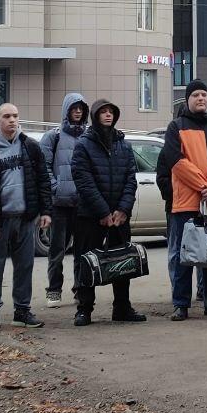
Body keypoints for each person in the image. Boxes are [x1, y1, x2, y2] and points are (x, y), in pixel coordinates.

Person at [158, 80, 207, 321]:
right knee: (185, 255)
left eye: (204, 94)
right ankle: (181, 304)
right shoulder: (176, 127)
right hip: (187, 203)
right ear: (187, 100)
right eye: (195, 95)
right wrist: (204, 186)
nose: (201, 98)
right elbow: (175, 161)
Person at [0, 103, 53, 331]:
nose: (12, 120)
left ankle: (22, 310)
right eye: (6, 116)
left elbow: (43, 180)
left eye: (15, 116)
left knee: (25, 266)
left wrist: (46, 211)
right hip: (0, 220)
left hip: (26, 217)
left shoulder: (30, 147)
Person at [69, 99, 147, 326]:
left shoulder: (124, 145)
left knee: (122, 261)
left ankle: (122, 307)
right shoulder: (84, 144)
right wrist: (103, 211)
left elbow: (131, 180)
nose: (107, 115)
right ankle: (84, 309)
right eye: (103, 112)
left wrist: (123, 209)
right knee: (86, 261)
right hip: (90, 216)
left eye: (111, 112)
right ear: (94, 116)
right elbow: (83, 179)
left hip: (119, 217)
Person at [39, 92, 89, 308]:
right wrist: (56, 188)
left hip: (83, 205)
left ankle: (79, 289)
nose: (77, 111)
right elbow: (43, 168)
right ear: (66, 110)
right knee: (56, 250)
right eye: (74, 107)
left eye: (81, 108)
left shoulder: (88, 136)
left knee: (82, 251)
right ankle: (54, 290)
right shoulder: (53, 136)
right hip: (59, 204)